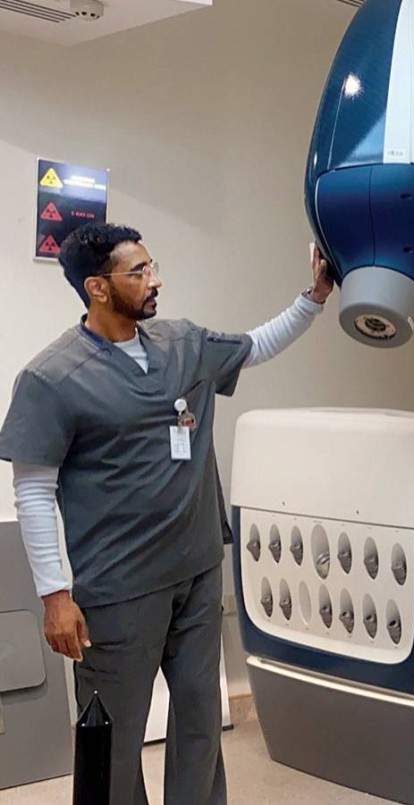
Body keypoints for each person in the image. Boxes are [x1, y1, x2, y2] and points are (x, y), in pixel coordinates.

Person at [0, 222, 335, 805]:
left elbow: (255, 345)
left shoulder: (183, 344)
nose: (155, 280)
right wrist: (55, 596)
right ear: (98, 288)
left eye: (153, 266)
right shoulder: (51, 378)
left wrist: (315, 298)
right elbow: (32, 491)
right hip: (119, 590)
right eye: (139, 271)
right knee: (114, 737)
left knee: (201, 725)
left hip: (197, 572)